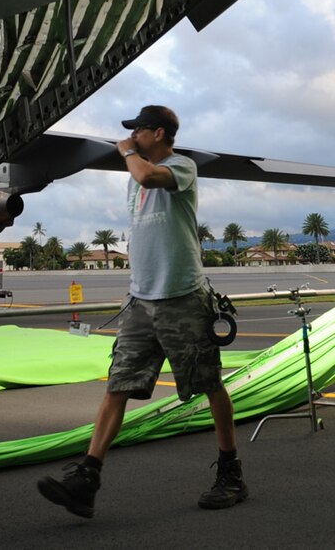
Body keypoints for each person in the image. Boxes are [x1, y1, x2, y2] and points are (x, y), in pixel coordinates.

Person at [38, 105, 244, 518]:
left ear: (159, 133)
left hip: (183, 297)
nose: (132, 137)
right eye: (131, 133)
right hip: (139, 301)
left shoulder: (180, 166)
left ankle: (231, 474)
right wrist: (132, 155)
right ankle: (87, 477)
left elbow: (148, 175)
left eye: (139, 131)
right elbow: (141, 183)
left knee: (209, 384)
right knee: (118, 385)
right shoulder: (135, 178)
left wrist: (126, 151)